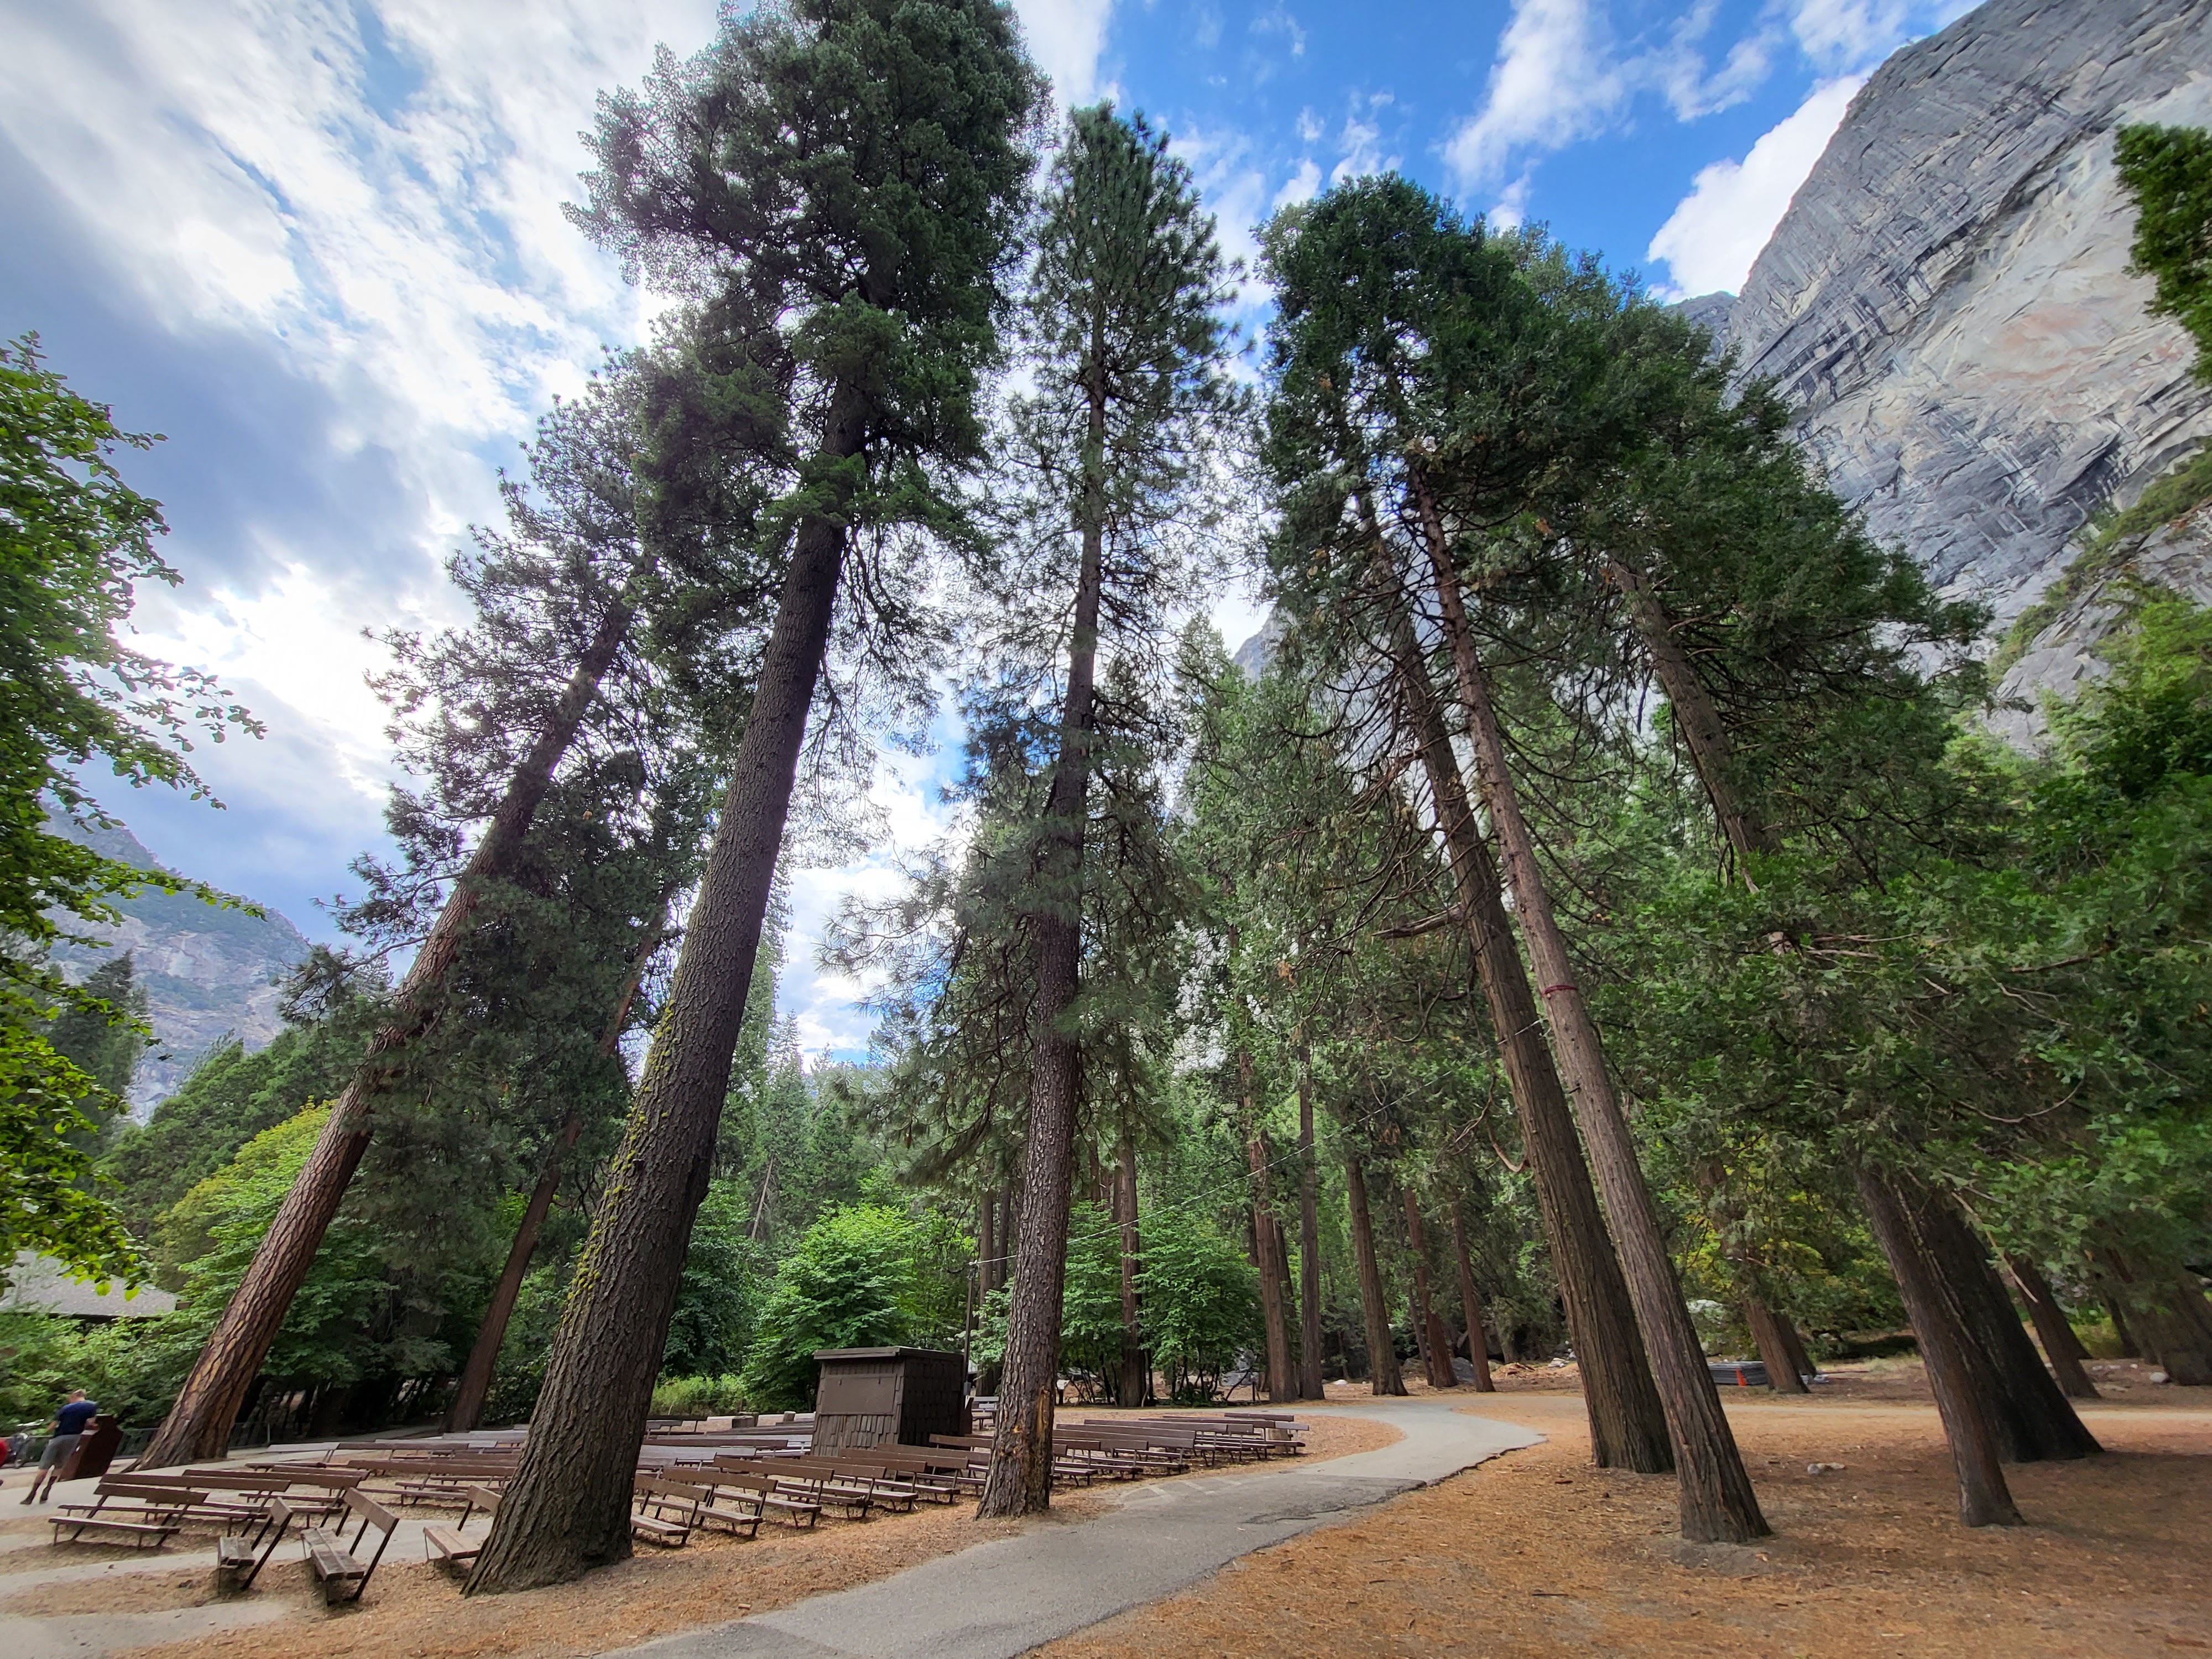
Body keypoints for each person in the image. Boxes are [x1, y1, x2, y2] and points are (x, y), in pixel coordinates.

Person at [22, 1390, 98, 1504]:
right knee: (59, 1465)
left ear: (74, 1396)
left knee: (44, 1467)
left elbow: (54, 1424)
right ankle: (48, 1489)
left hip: (59, 1437)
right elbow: (91, 1422)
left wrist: (45, 1432)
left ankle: (32, 1494)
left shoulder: (66, 1408)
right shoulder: (92, 1406)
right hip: (75, 1437)